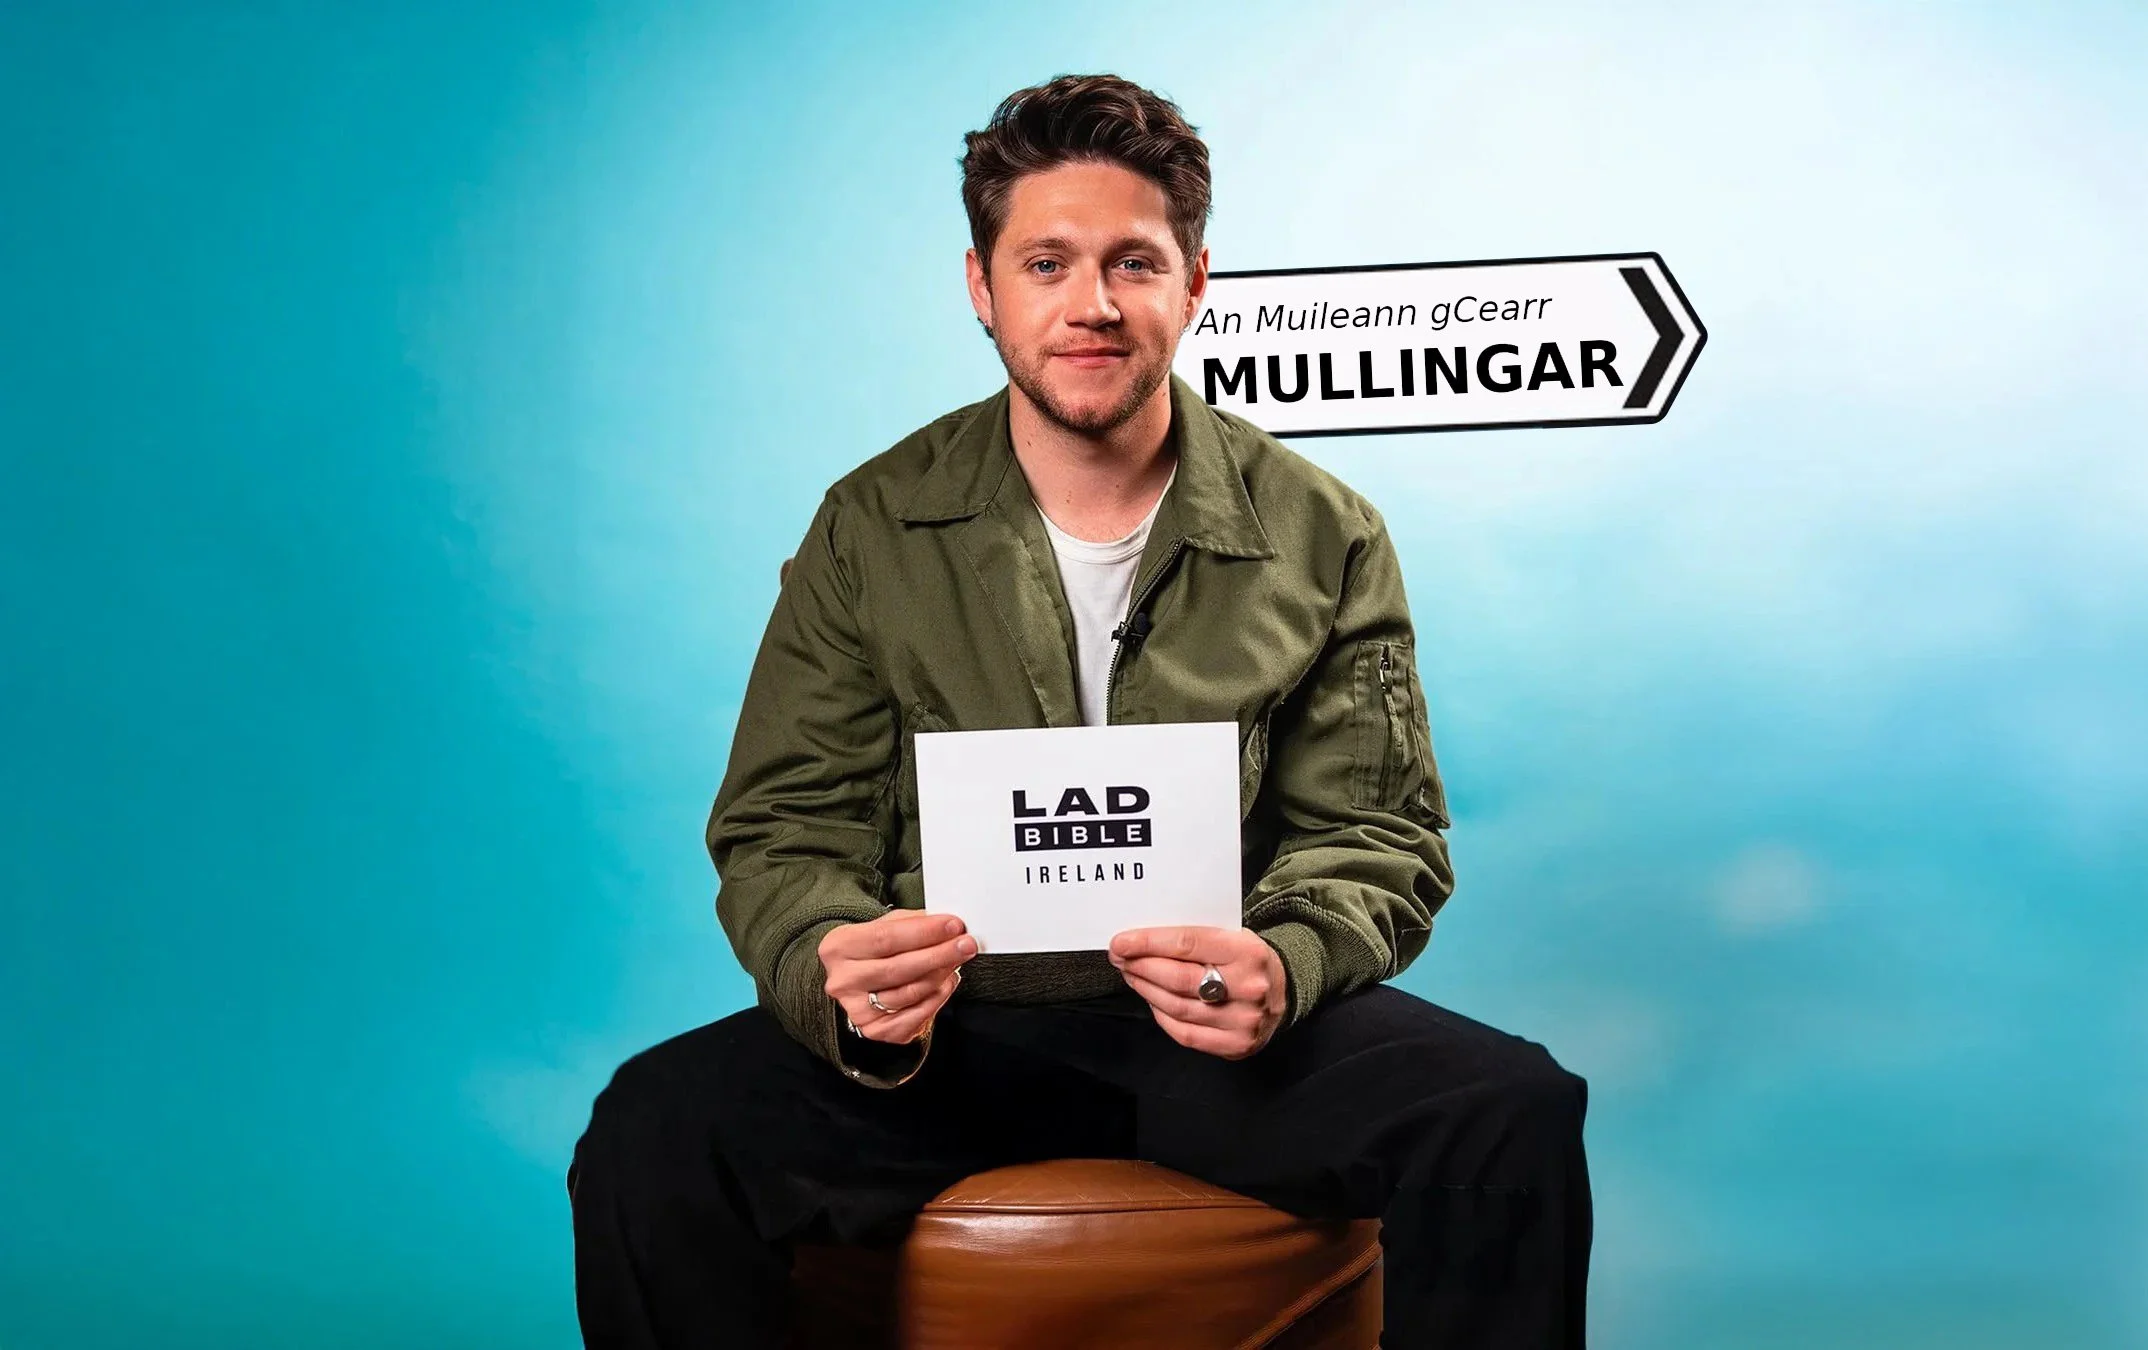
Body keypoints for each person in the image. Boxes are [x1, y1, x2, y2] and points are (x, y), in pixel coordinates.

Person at [569, 73, 1591, 1348]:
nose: (1093, 304)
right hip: (947, 1039)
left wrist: (1287, 961)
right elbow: (785, 827)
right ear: (982, 288)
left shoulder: (1322, 530)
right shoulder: (871, 523)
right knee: (655, 1130)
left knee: (1509, 1107)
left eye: (1133, 263)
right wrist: (833, 966)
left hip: (1212, 1030)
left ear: (1196, 281)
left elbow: (1377, 832)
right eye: (1047, 262)